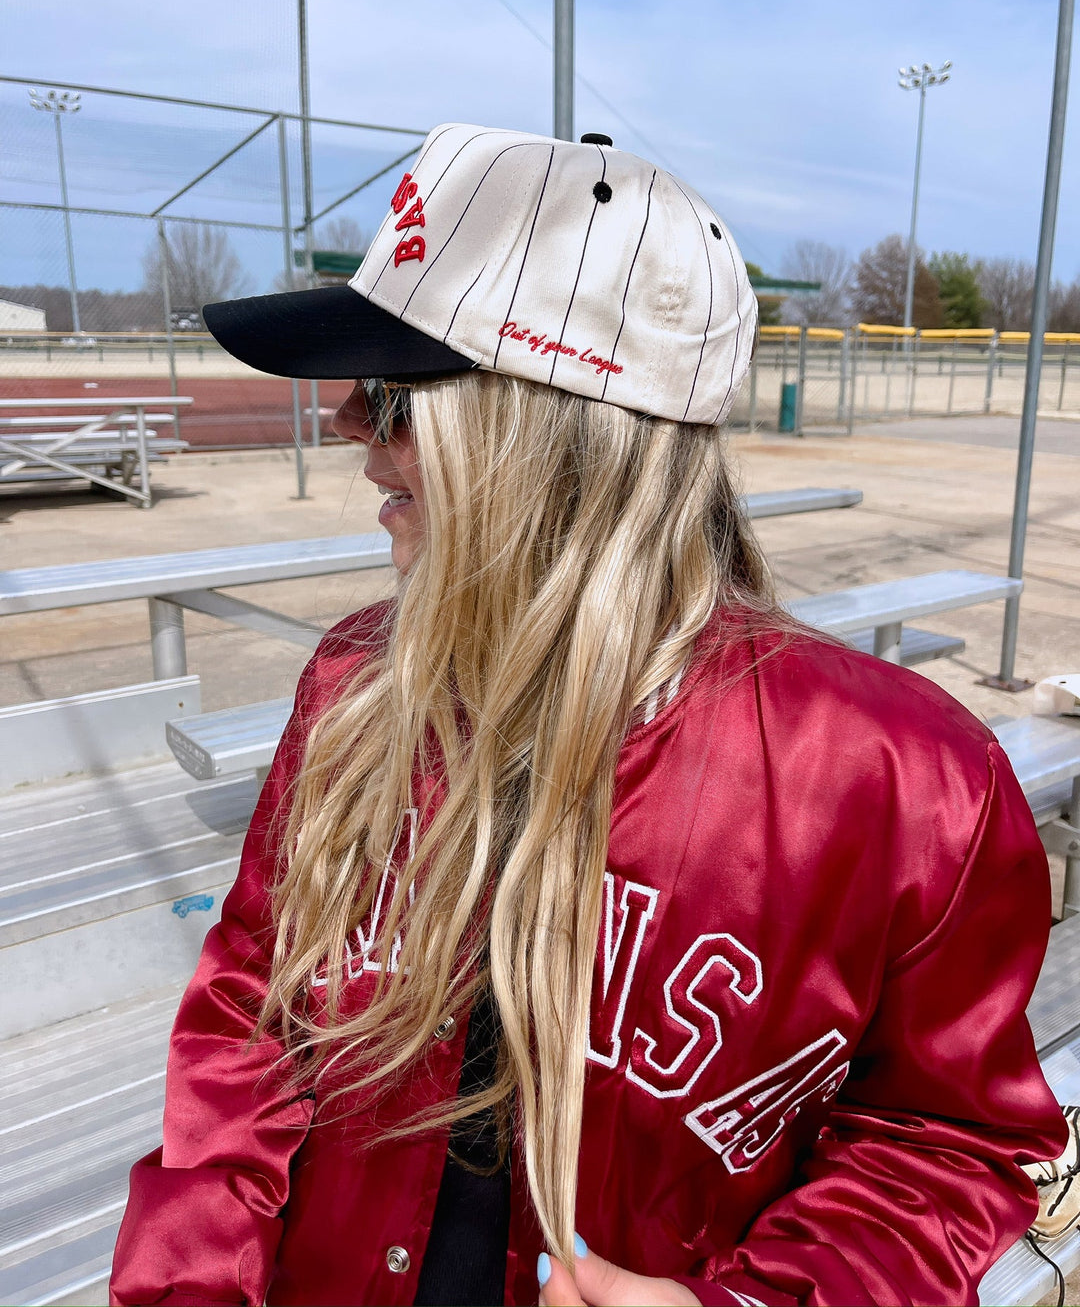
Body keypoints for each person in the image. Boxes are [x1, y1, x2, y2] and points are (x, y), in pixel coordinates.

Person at [110, 123, 1066, 1307]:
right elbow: (249, 1018)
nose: (354, 428)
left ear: (553, 433)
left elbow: (946, 1144)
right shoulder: (360, 680)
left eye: (401, 393)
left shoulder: (907, 782)